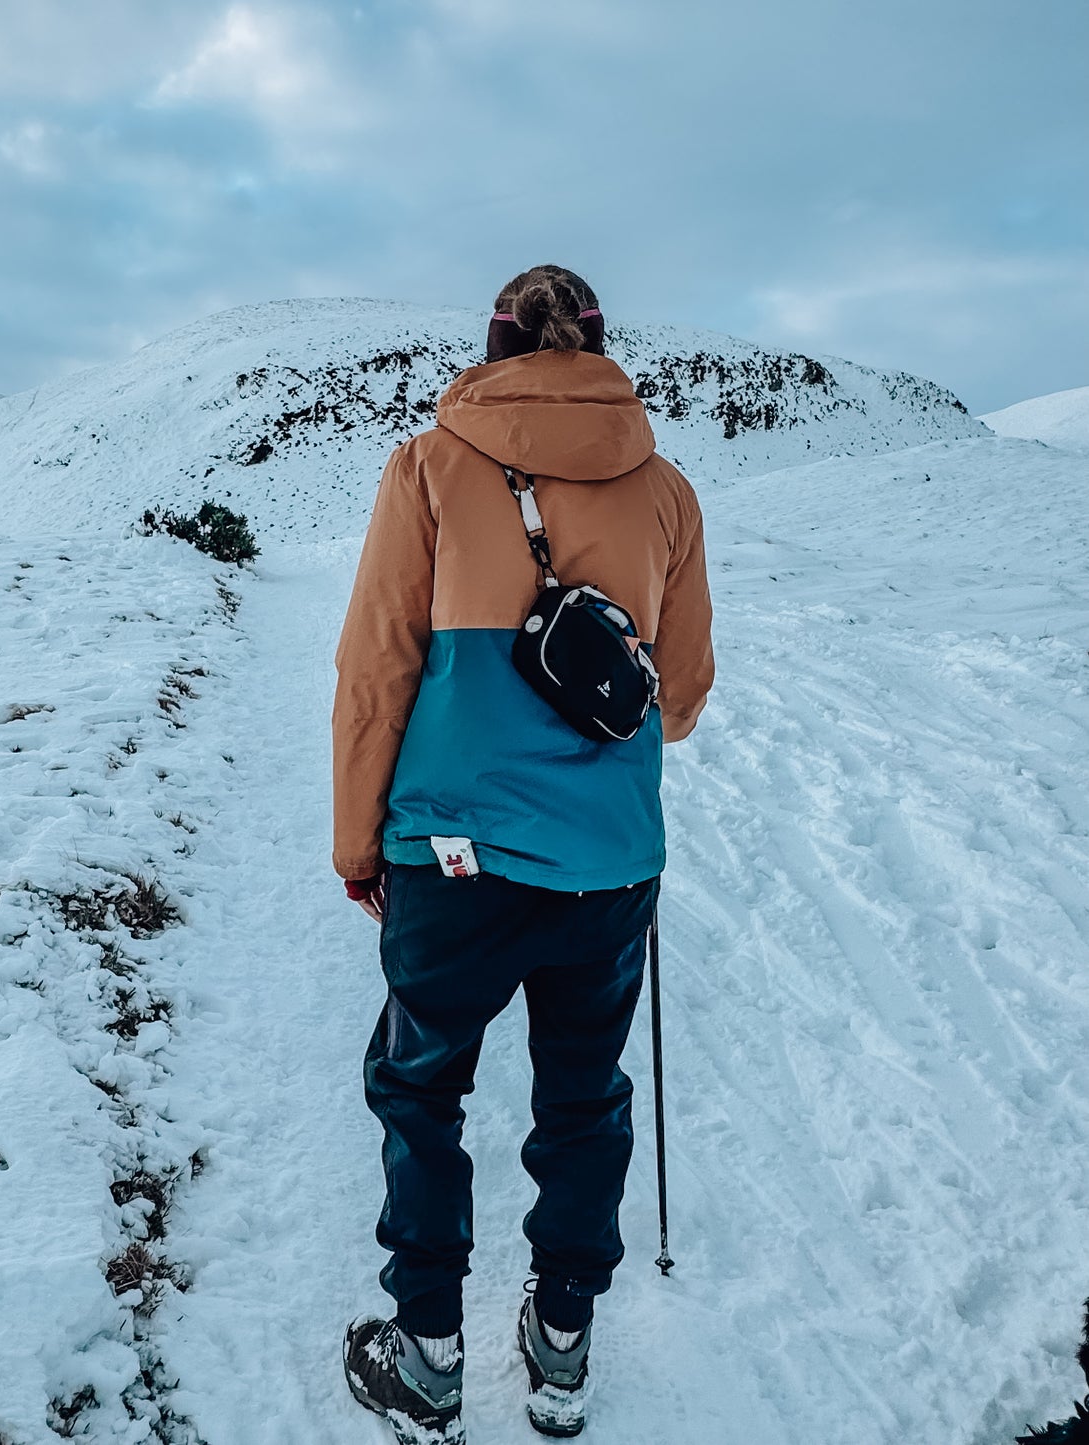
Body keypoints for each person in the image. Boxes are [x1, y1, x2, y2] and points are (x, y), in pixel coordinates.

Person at [332, 264, 714, 1442]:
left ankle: (428, 1354)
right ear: (596, 347)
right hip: (606, 864)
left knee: (420, 1082)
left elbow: (376, 668)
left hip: (449, 857)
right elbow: (683, 696)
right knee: (584, 1096)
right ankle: (558, 1351)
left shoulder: (430, 467)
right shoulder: (664, 491)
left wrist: (359, 842)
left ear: (492, 347)